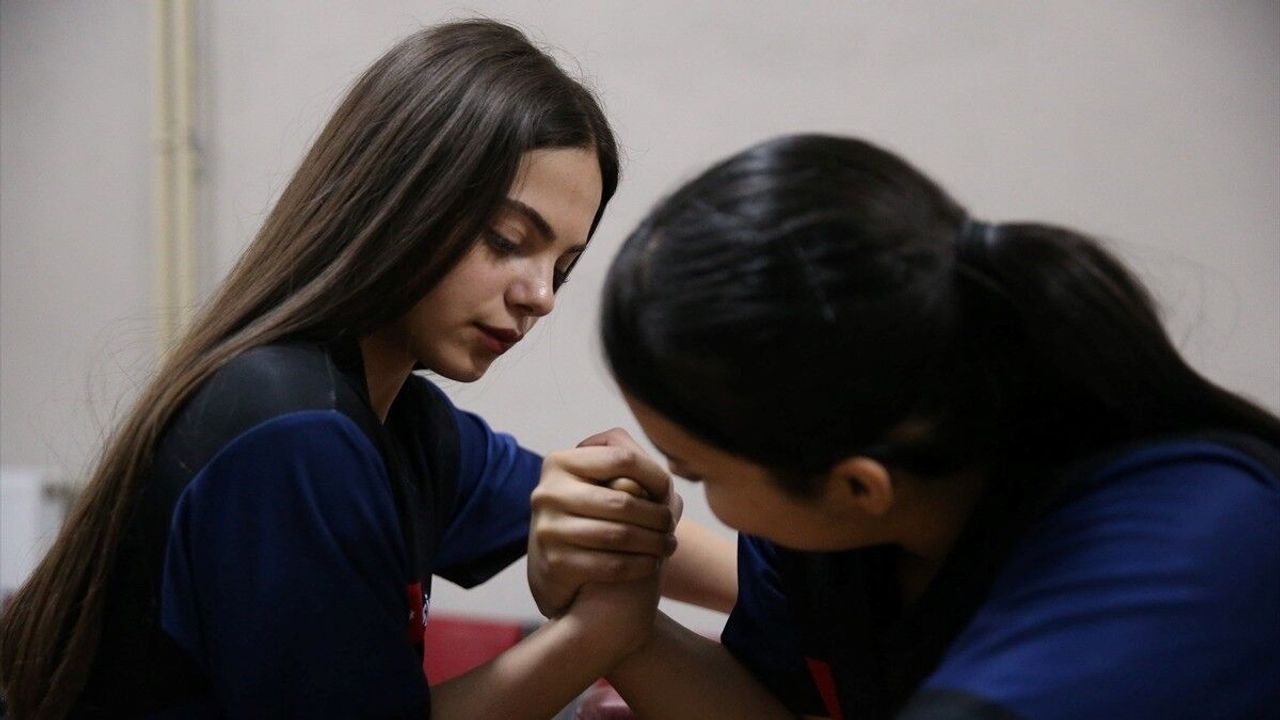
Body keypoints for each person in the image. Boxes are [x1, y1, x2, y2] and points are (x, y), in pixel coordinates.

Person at [0, 20, 734, 719]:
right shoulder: (294, 431)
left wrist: (776, 569)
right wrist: (597, 636)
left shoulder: (407, 424)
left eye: (562, 268)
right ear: (402, 198)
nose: (540, 296)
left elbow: (571, 510)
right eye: (508, 240)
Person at [583, 134, 1280, 719]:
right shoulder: (830, 527)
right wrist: (621, 629)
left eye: (694, 471)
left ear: (858, 487)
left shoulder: (1192, 535)